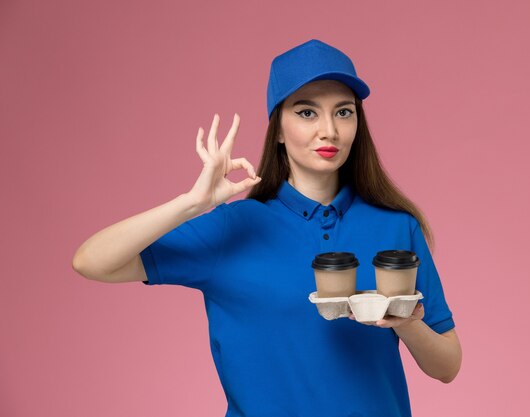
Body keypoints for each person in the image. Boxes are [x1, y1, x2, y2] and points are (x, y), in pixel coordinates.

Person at [72, 38, 462, 417]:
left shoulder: (395, 227)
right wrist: (190, 204)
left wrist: (408, 323)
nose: (329, 129)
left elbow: (447, 365)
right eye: (307, 112)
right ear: (277, 128)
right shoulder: (234, 228)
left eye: (344, 112)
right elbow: (92, 261)